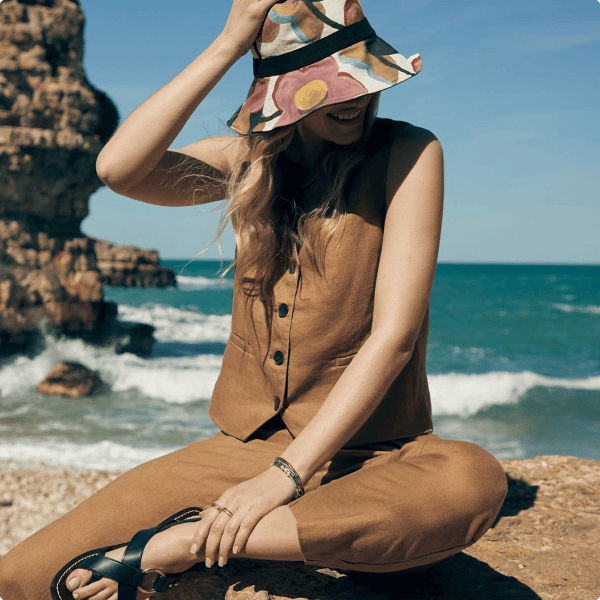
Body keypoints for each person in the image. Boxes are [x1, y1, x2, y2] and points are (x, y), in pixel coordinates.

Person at [0, 0, 508, 598]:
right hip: (239, 451)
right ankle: (234, 528)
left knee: (472, 481)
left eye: (359, 78)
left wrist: (284, 478)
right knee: (21, 578)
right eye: (328, 85)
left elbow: (394, 336)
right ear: (283, 93)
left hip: (374, 456)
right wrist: (228, 43)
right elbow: (118, 169)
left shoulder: (410, 152)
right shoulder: (249, 159)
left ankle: (187, 543)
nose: (353, 98)